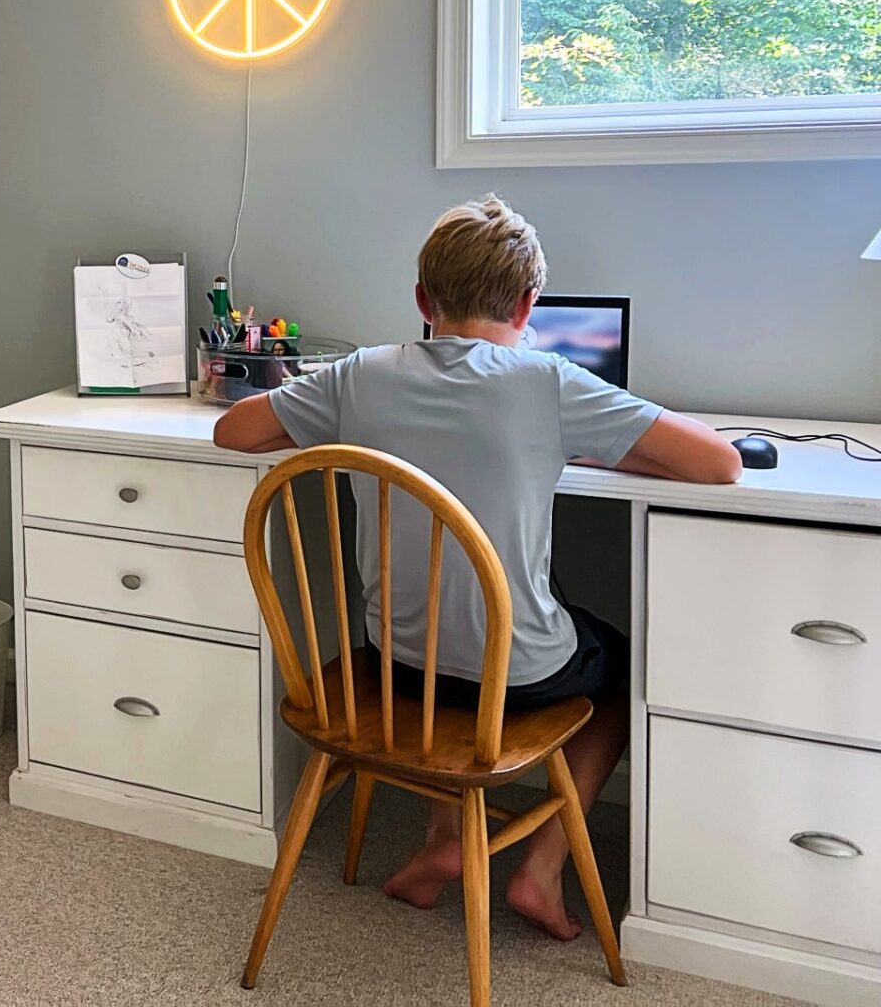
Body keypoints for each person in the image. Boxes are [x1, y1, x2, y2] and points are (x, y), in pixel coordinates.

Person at [213, 194, 740, 938]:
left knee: (446, 642)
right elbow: (719, 463)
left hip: (397, 664)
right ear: (528, 305)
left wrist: (329, 423)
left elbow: (233, 431)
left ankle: (444, 841)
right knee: (621, 667)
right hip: (514, 678)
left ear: (422, 300)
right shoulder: (550, 382)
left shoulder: (359, 375)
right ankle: (541, 869)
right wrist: (588, 443)